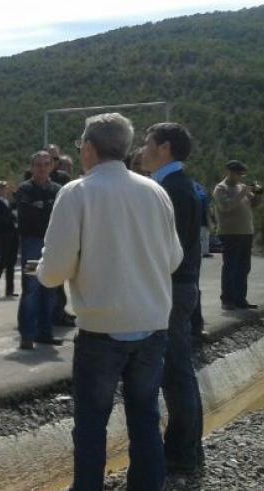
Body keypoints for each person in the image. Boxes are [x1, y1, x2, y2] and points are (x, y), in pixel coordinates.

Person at [38, 113, 182, 491]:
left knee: (90, 425)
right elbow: (174, 259)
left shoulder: (77, 192)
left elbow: (54, 271)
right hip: (152, 325)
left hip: (101, 329)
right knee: (145, 418)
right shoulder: (155, 192)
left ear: (88, 148)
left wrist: (41, 271)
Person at [141, 122, 205, 479]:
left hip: (172, 288)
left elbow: (169, 251)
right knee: (180, 370)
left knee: (176, 371)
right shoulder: (182, 185)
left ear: (164, 147)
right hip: (179, 287)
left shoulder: (172, 190)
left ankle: (181, 453)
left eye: (148, 142)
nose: (143, 149)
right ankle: (191, 448)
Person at [15, 151, 63, 350]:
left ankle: (45, 333)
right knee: (31, 289)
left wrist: (41, 208)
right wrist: (45, 209)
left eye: (46, 164)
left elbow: (61, 216)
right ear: (32, 167)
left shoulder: (59, 190)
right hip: (32, 244)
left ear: (52, 166)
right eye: (38, 164)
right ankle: (27, 334)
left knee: (50, 289)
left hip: (53, 244)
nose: (42, 168)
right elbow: (28, 216)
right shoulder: (24, 189)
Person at [213, 160, 262, 310]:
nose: (241, 176)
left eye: (242, 174)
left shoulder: (242, 187)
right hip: (230, 233)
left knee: (243, 267)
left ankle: (240, 299)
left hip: (246, 232)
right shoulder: (221, 188)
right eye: (238, 173)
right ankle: (227, 300)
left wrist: (259, 193)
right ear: (229, 172)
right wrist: (242, 194)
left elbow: (255, 205)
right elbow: (225, 206)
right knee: (230, 266)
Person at [0, 181, 19, 299]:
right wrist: (11, 220)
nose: (5, 190)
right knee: (2, 261)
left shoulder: (8, 201)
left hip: (13, 233)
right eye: (2, 188)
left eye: (6, 188)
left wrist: (15, 193)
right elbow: (0, 216)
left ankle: (9, 290)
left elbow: (17, 205)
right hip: (4, 233)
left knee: (11, 261)